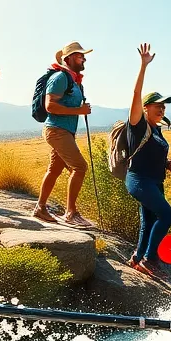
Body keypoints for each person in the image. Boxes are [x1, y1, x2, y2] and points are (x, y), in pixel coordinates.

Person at [123, 43, 171, 275]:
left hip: (154, 181)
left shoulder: (156, 129)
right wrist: (143, 66)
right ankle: (149, 259)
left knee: (148, 220)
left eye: (163, 107)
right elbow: (136, 95)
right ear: (145, 108)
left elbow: (150, 154)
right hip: (140, 181)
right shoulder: (137, 125)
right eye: (158, 106)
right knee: (166, 215)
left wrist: (167, 164)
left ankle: (137, 258)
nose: (162, 110)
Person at [34, 41, 95, 227]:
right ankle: (71, 213)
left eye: (83, 56)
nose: (84, 59)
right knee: (80, 167)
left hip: (63, 131)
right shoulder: (60, 77)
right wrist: (79, 111)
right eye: (80, 56)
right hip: (57, 130)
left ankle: (40, 208)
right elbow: (50, 106)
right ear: (69, 58)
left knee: (54, 170)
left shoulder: (74, 81)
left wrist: (81, 108)